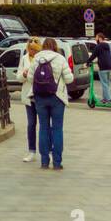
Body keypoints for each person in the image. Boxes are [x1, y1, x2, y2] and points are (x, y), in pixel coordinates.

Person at [29, 37, 74, 170]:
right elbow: (69, 79)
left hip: (40, 98)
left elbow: (31, 78)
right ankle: (57, 162)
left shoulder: (36, 58)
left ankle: (44, 161)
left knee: (43, 128)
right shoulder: (60, 59)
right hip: (57, 97)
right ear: (55, 46)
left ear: (43, 46)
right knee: (57, 129)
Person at [17, 37, 44, 162]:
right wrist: (23, 74)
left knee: (44, 125)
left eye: (34, 49)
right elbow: (18, 77)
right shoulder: (24, 58)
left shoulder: (42, 59)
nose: (31, 51)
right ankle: (31, 151)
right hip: (28, 96)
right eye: (30, 49)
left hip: (40, 95)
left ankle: (46, 151)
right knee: (31, 124)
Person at [90, 32, 111, 103]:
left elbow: (93, 55)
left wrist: (87, 62)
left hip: (103, 67)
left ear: (100, 38)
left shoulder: (98, 46)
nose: (95, 39)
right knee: (107, 84)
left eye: (96, 37)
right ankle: (105, 99)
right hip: (109, 66)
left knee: (104, 84)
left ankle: (109, 99)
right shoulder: (107, 45)